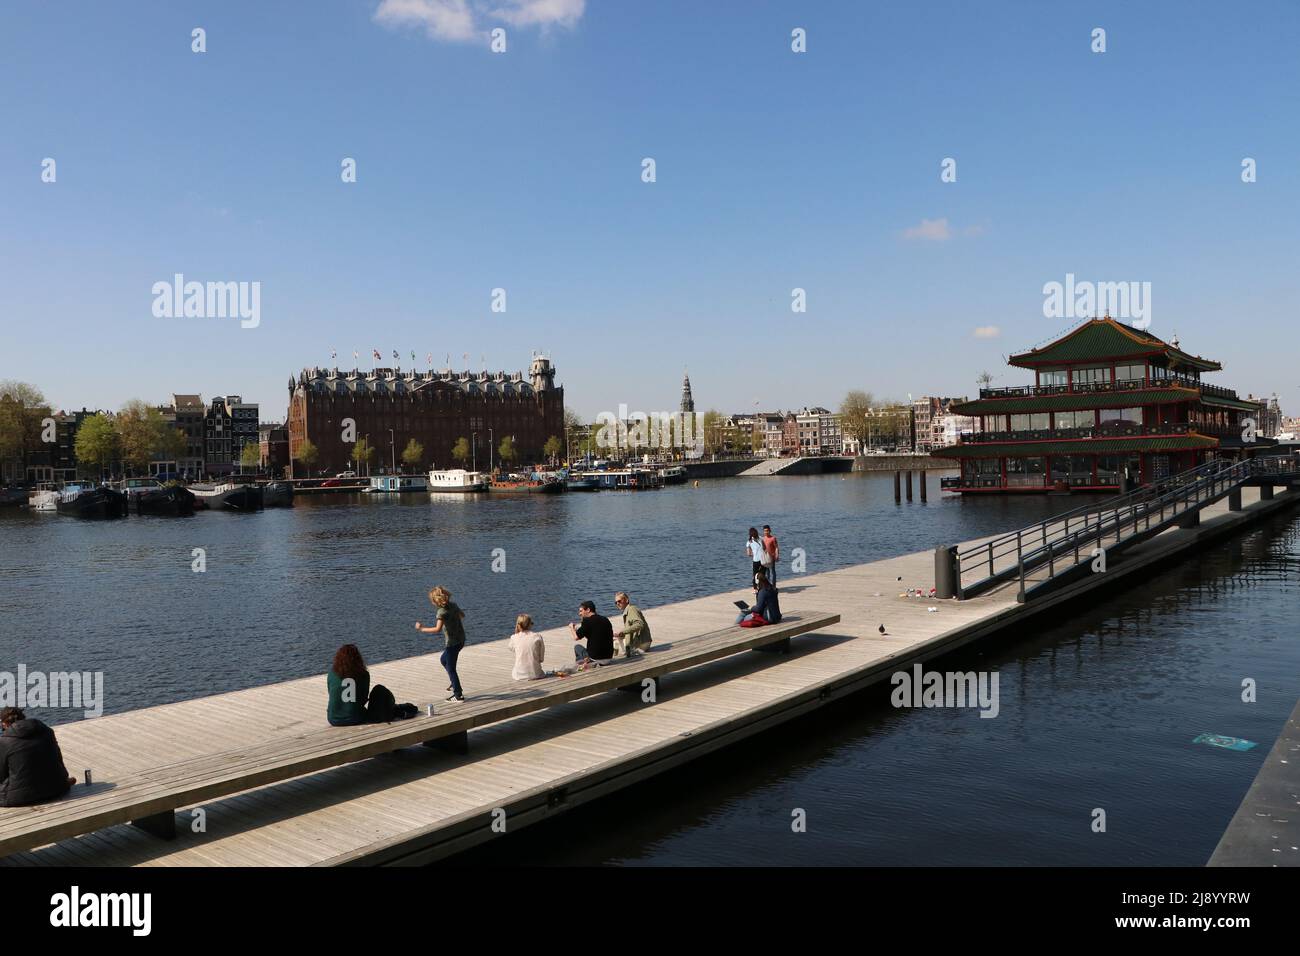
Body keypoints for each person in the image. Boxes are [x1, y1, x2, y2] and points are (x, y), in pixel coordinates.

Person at [0, 707, 76, 807]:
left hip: (20, 797)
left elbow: (1, 775)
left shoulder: (4, 742)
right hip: (58, 788)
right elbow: (59, 760)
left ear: (5, 723)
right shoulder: (47, 731)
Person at [416, 585, 467, 701]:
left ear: (436, 601)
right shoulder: (453, 606)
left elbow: (437, 629)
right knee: (443, 660)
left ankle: (458, 694)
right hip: (461, 640)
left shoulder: (441, 612)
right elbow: (462, 615)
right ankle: (454, 683)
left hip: (452, 644)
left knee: (451, 668)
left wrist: (422, 629)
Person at [327, 644, 372, 726]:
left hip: (333, 719)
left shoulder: (332, 674)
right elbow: (364, 699)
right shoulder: (364, 674)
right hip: (356, 718)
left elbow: (331, 694)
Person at [568, 600, 615, 669]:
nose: (579, 614)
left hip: (595, 659)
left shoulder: (587, 621)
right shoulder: (605, 619)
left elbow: (576, 637)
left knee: (577, 647)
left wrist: (571, 627)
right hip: (608, 658)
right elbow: (595, 636)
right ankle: (585, 662)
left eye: (581, 611)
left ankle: (581, 665)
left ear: (588, 610)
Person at [508, 614, 546, 680]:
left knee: (515, 669)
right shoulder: (537, 637)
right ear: (530, 625)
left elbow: (511, 648)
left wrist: (516, 633)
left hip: (519, 675)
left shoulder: (514, 637)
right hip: (536, 674)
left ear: (518, 625)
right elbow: (541, 659)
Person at [613, 591, 652, 657]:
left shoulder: (632, 609)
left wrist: (623, 631)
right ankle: (628, 651)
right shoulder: (627, 611)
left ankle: (629, 652)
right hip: (643, 641)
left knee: (615, 644)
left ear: (626, 600)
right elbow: (631, 629)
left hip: (642, 642)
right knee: (617, 639)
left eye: (619, 601)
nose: (617, 604)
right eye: (616, 602)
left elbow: (639, 624)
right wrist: (621, 633)